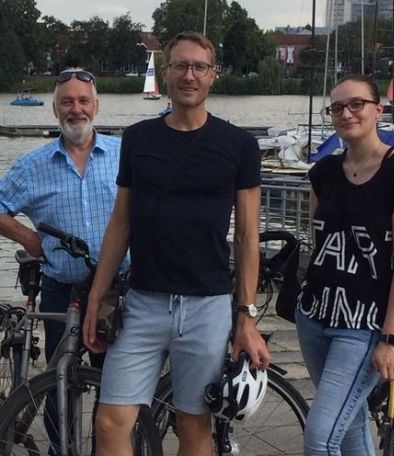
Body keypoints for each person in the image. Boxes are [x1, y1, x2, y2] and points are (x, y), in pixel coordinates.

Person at [83, 31, 270, 455]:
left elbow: (246, 236)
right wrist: (98, 295)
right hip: (144, 302)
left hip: (207, 305)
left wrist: (246, 315)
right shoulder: (139, 139)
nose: (190, 75)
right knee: (111, 421)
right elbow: (121, 223)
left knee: (193, 426)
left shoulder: (239, 146)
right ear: (165, 73)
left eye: (199, 67)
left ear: (213, 76)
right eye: (180, 66)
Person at [297, 74, 394, 456]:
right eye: (337, 107)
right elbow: (321, 243)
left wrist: (390, 338)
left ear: (377, 110)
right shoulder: (323, 174)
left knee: (320, 438)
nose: (346, 113)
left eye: (356, 104)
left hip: (364, 325)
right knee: (349, 425)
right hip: (314, 316)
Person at [0, 67, 121, 368]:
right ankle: (58, 415)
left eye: (83, 101)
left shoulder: (124, 154)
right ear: (55, 109)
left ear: (96, 106)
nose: (76, 109)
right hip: (62, 290)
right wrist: (30, 239)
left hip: (117, 288)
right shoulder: (33, 165)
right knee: (59, 379)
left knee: (114, 384)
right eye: (67, 102)